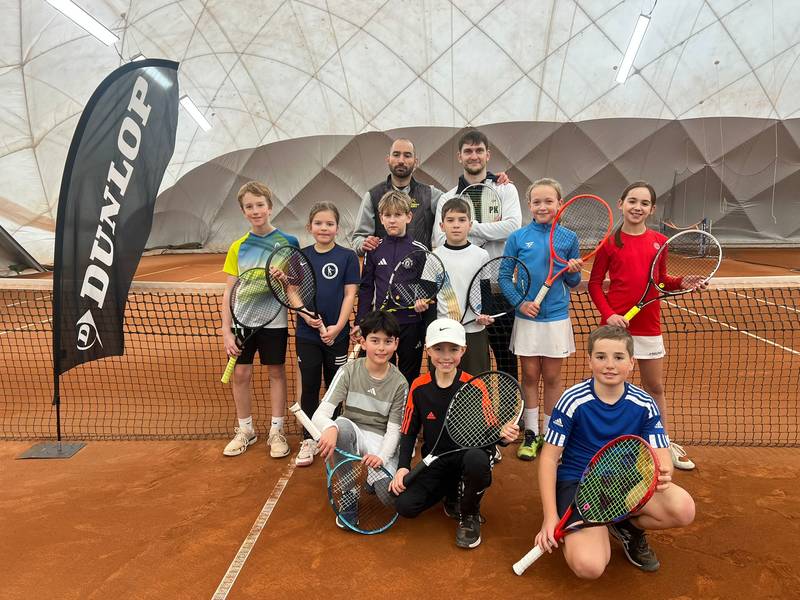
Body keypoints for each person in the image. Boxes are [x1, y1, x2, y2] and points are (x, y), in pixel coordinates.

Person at [535, 325, 695, 577]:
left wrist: (664, 471)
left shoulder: (644, 403)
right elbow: (548, 458)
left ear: (631, 362)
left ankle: (626, 527)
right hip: (579, 484)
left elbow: (661, 450)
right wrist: (550, 516)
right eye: (601, 357)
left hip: (623, 483)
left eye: (618, 357)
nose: (609, 365)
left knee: (683, 509)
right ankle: (591, 525)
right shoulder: (572, 400)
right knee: (589, 567)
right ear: (589, 361)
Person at [588, 181, 701, 470]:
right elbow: (595, 284)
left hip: (648, 326)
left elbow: (661, 281)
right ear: (621, 204)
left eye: (644, 203)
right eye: (632, 201)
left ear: (651, 209)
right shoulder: (609, 244)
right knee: (608, 386)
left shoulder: (660, 241)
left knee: (654, 387)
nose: (637, 207)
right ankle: (601, 442)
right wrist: (609, 314)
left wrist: (681, 282)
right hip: (614, 330)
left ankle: (661, 444)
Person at [389, 318, 519, 549]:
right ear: (428, 350)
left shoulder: (475, 386)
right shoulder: (419, 387)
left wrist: (503, 436)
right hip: (435, 460)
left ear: (463, 351)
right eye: (439, 349)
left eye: (453, 349)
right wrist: (402, 467)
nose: (446, 356)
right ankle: (451, 491)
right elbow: (408, 431)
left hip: (468, 456)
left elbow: (490, 430)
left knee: (477, 459)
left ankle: (469, 514)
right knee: (405, 506)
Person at [503, 178, 582, 461]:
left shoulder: (569, 238)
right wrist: (520, 303)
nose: (543, 206)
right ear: (529, 205)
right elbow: (505, 276)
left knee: (551, 377)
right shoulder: (517, 237)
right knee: (529, 376)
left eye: (549, 201)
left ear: (560, 204)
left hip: (556, 318)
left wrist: (573, 270)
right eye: (537, 202)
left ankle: (550, 435)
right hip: (527, 319)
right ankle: (531, 433)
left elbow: (573, 282)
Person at [433, 130, 521, 377]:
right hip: (461, 293)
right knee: (465, 360)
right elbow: (440, 240)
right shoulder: (447, 198)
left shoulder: (505, 189)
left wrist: (471, 229)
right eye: (468, 151)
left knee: (506, 359)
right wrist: (492, 230)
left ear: (488, 155)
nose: (474, 156)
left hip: (499, 288)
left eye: (479, 150)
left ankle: (508, 404)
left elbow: (512, 227)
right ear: (459, 156)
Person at [221, 181, 298, 458]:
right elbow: (230, 290)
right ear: (243, 211)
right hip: (242, 320)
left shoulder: (289, 242)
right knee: (241, 374)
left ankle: (276, 431)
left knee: (276, 372)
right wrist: (226, 331)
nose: (255, 211)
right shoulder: (237, 247)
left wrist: (284, 278)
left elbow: (295, 285)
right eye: (249, 207)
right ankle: (246, 430)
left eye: (260, 205)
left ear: (270, 207)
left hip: (274, 322)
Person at [312, 310, 409, 526]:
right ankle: (350, 492)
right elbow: (320, 414)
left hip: (380, 439)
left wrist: (381, 458)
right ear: (363, 342)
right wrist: (330, 428)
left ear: (396, 344)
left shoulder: (400, 383)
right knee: (340, 427)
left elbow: (394, 431)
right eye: (375, 340)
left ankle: (373, 480)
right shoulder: (348, 371)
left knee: (390, 498)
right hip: (353, 431)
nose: (381, 347)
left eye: (387, 341)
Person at [291, 202, 360, 467]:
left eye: (329, 223)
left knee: (335, 387)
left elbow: (350, 294)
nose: (324, 228)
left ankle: (335, 437)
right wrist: (304, 314)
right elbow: (292, 290)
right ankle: (309, 439)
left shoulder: (347, 257)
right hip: (307, 336)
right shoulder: (300, 256)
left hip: (337, 337)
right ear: (309, 227)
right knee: (309, 386)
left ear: (337, 228)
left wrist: (338, 327)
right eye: (318, 223)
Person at [352, 191, 428, 385]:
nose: (392, 220)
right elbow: (366, 288)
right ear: (381, 219)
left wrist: (424, 304)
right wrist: (360, 321)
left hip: (411, 324)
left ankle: (407, 406)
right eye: (387, 215)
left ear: (408, 217)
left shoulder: (419, 250)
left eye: (398, 215)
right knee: (380, 374)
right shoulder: (374, 249)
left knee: (409, 375)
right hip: (382, 324)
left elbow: (427, 288)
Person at [432, 196, 492, 375]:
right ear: (442, 226)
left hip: (474, 330)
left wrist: (485, 315)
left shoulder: (481, 255)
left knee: (476, 380)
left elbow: (485, 290)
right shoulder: (434, 256)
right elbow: (429, 298)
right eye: (450, 220)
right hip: (444, 331)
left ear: (470, 225)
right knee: (443, 379)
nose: (456, 225)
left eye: (461, 220)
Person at [352, 138, 442, 254]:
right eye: (396, 155)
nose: (401, 160)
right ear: (388, 159)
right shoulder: (372, 196)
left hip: (421, 264)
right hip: (383, 265)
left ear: (416, 161)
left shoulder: (431, 195)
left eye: (407, 155)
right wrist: (363, 243)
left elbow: (456, 209)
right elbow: (358, 239)